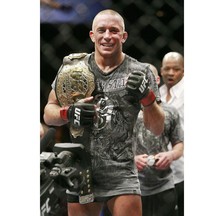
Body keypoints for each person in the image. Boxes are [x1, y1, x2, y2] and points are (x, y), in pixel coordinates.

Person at [43, 9, 165, 216]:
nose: (107, 36)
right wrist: (68, 112)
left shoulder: (139, 71)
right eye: (101, 30)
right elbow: (48, 114)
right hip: (80, 168)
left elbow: (157, 128)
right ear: (92, 35)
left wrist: (148, 98)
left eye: (114, 30)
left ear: (123, 36)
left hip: (122, 171)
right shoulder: (74, 69)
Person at [134, 64, 184, 216]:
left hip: (164, 185)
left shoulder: (170, 111)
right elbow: (110, 148)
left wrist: (170, 155)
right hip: (131, 186)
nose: (142, 84)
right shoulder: (125, 112)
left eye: (146, 79)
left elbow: (179, 144)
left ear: (156, 80)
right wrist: (131, 159)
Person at [159, 52, 184, 216]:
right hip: (162, 164)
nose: (171, 73)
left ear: (183, 71)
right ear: (161, 71)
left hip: (184, 164)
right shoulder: (158, 93)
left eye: (176, 69)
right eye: (167, 69)